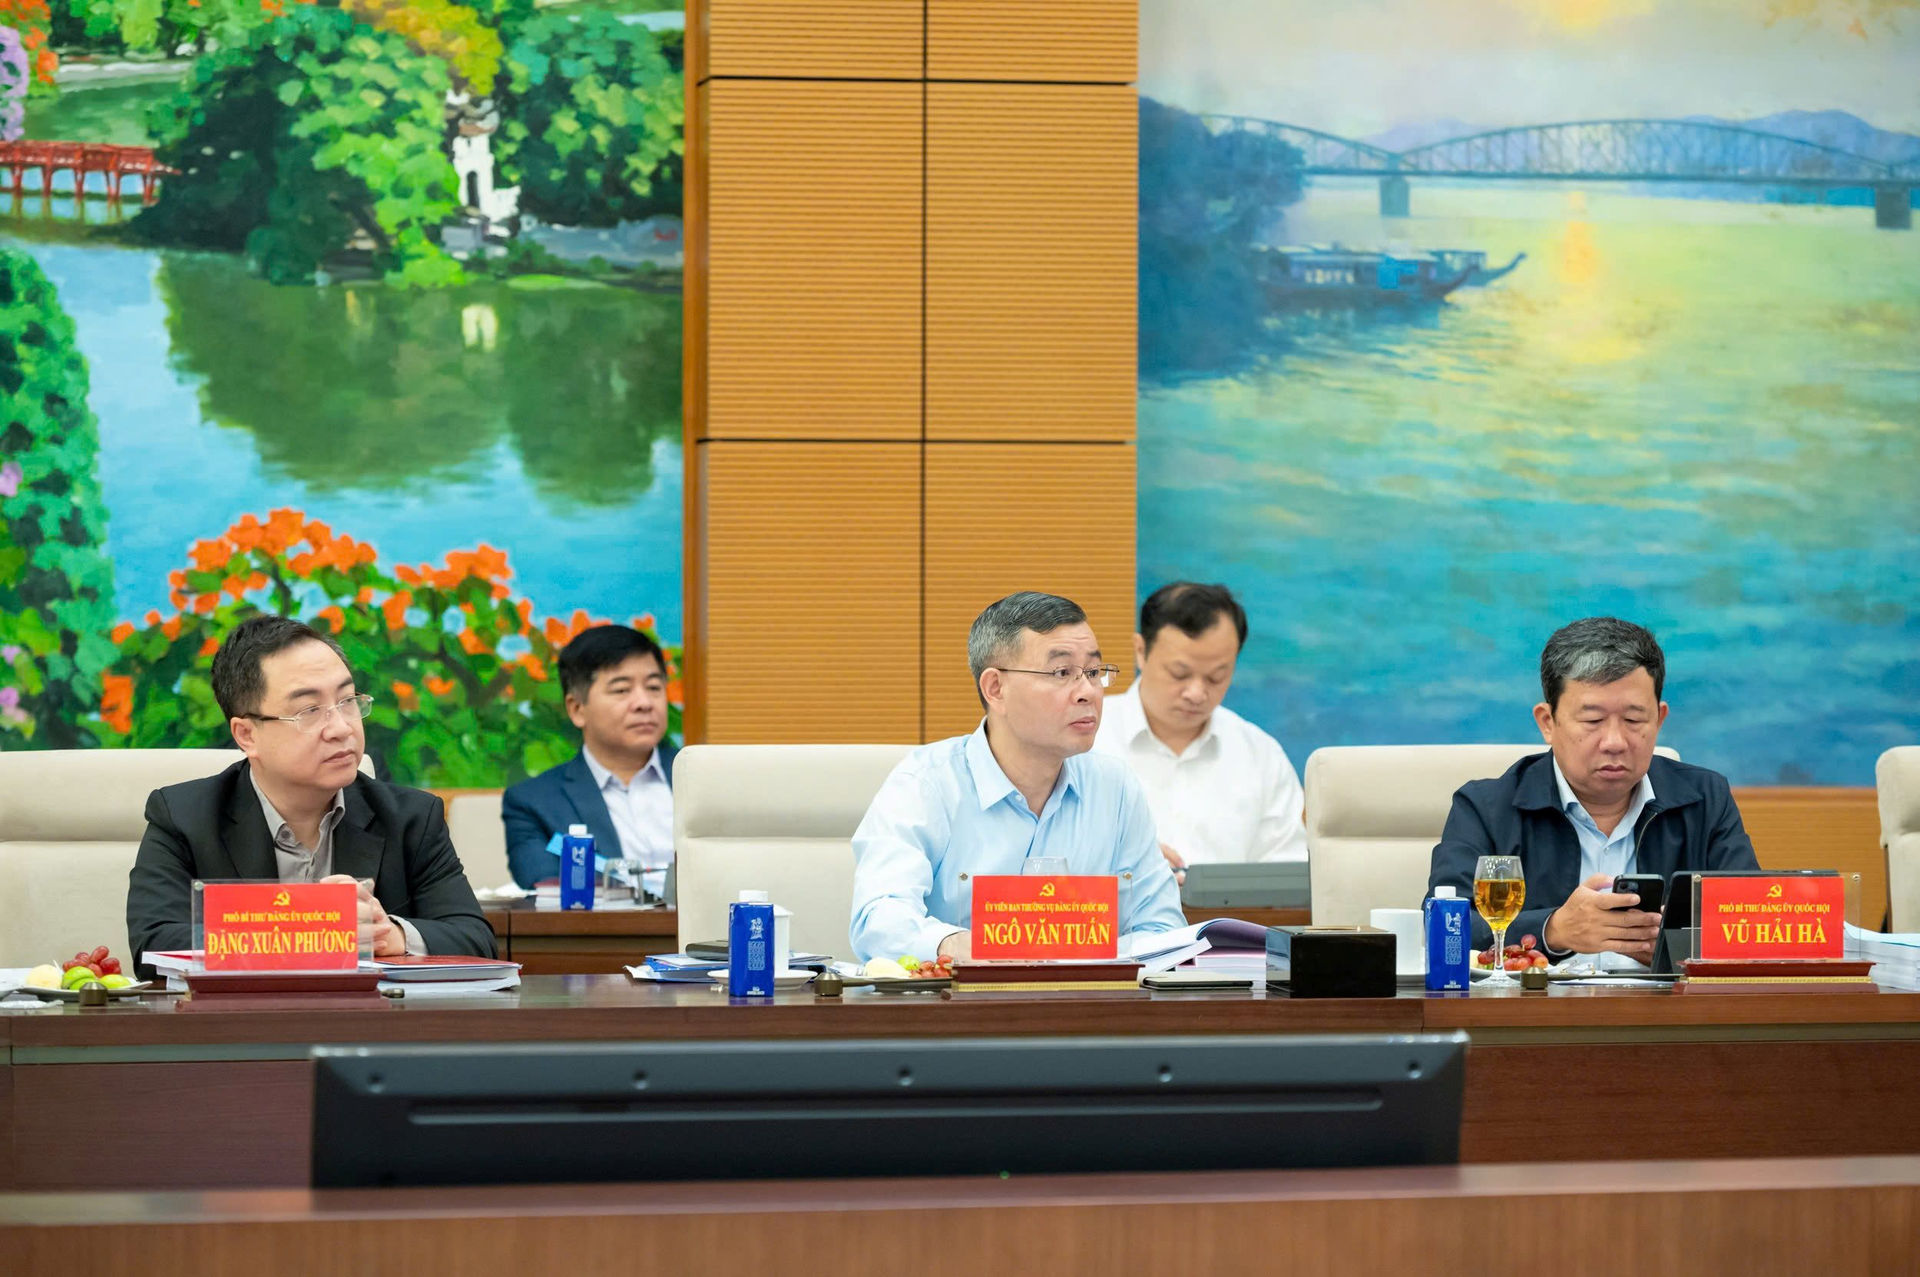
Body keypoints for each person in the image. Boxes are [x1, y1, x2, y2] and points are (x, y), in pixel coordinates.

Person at [126, 615, 495, 972]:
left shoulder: (411, 818)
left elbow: (475, 939)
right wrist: (311, 929)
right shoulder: (184, 817)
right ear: (247, 735)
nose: (341, 728)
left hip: (365, 1014)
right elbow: (154, 946)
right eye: (309, 710)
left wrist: (388, 935)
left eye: (347, 701)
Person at [849, 591, 1184, 963]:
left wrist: (1083, 961)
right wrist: (953, 945)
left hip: (1085, 998)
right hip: (959, 998)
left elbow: (1163, 928)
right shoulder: (926, 784)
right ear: (995, 688)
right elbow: (878, 917)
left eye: (1092, 672)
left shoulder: (1114, 787)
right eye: (1062, 673)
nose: (1088, 692)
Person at [1426, 616, 1759, 968]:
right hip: (1542, 1002)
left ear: (1659, 720)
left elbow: (1755, 920)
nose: (1614, 741)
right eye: (1593, 721)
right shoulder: (1485, 808)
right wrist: (1553, 930)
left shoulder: (1705, 799)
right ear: (1548, 723)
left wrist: (1678, 948)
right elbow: (1445, 926)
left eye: (1633, 720)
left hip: (1661, 1002)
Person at [1093, 581, 1307, 883]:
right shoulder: (1084, 740)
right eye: (1179, 674)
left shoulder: (1261, 755)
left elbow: (1288, 875)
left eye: (1216, 677)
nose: (1196, 693)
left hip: (1232, 916)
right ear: (1141, 651)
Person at [500, 625, 677, 891]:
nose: (644, 703)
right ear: (577, 709)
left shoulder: (710, 783)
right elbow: (543, 886)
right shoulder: (533, 803)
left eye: (654, 687)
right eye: (621, 690)